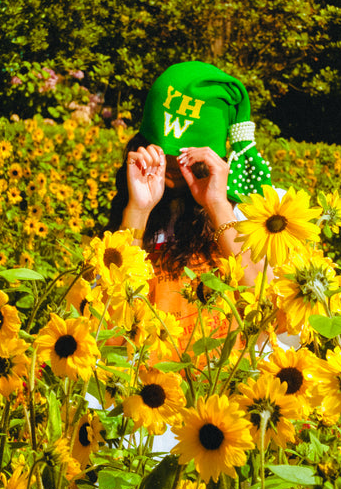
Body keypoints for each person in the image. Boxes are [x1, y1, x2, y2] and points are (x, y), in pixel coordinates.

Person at [106, 61, 275, 343]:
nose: (172, 161)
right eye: (162, 147)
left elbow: (269, 318)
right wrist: (138, 210)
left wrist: (217, 205)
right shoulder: (134, 206)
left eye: (186, 153)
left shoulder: (253, 213)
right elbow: (109, 334)